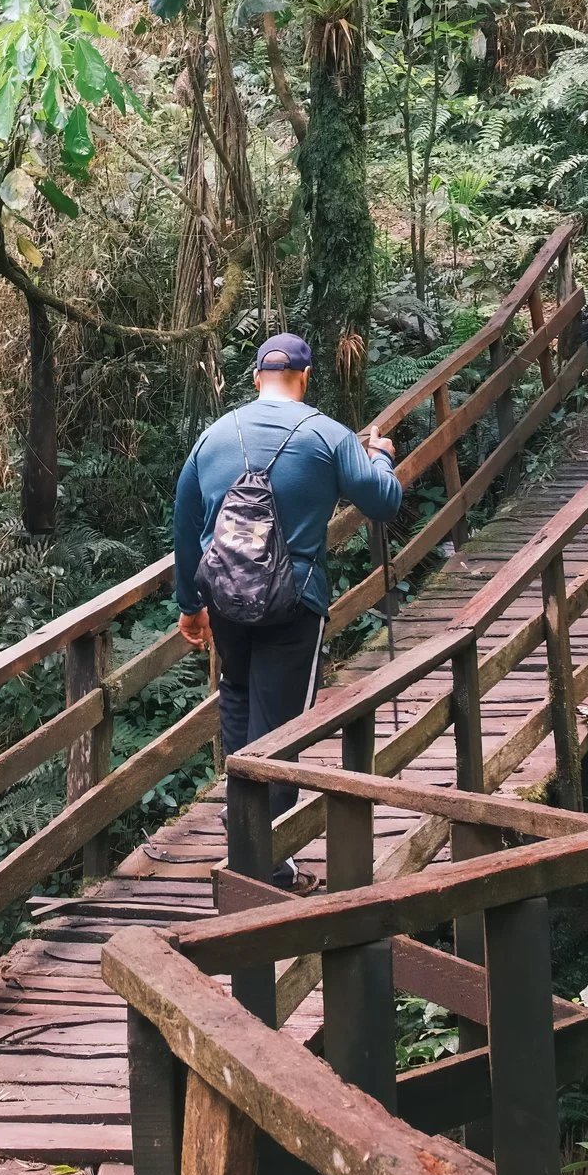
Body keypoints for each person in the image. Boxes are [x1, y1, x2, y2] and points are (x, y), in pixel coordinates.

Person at [174, 332, 404, 885]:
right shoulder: (328, 435)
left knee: (237, 695)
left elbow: (184, 523)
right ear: (304, 378)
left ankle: (244, 822)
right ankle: (264, 859)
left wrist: (190, 605)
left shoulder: (213, 436)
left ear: (256, 378)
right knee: (282, 725)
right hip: (292, 603)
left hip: (226, 600)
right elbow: (383, 502)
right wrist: (383, 458)